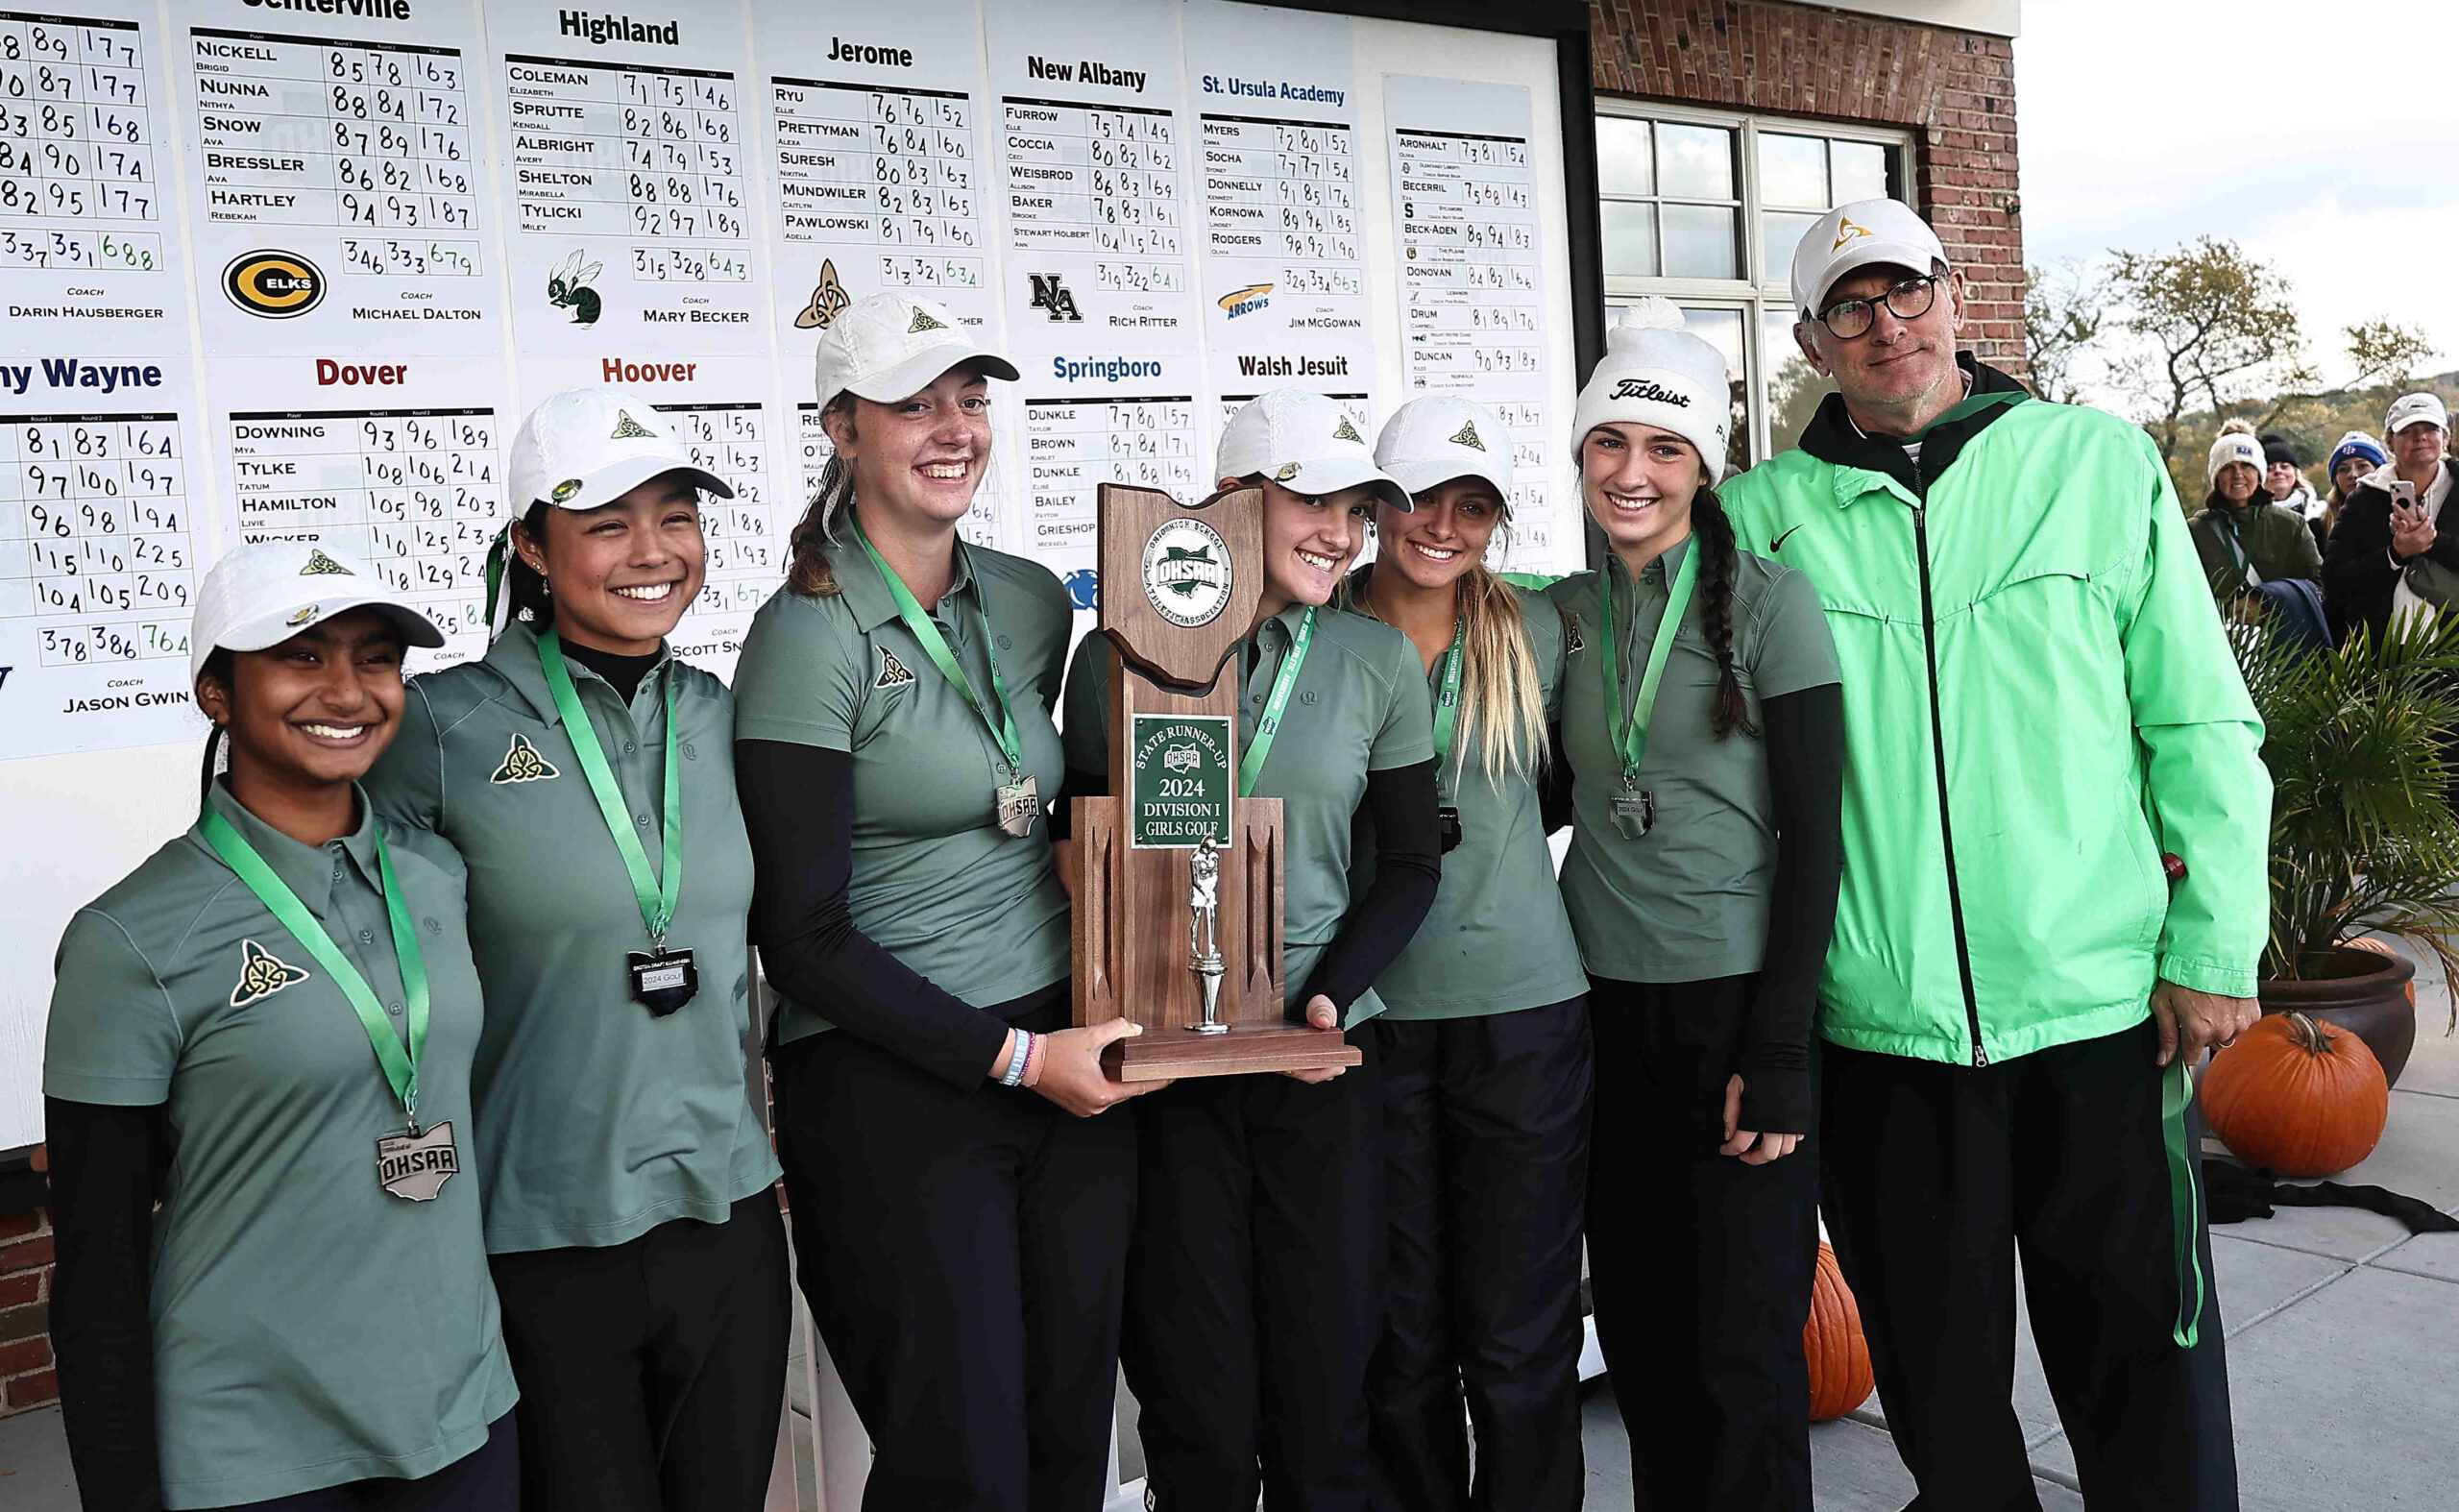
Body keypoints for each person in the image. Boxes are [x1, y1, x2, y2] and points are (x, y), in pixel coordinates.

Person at [1721, 198, 2266, 1511]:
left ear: (1955, 295)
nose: (1885, 325)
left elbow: (2196, 716)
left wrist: (2214, 944)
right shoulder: (1757, 518)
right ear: (1810, 340)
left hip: (2101, 1017)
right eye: (1849, 307)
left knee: (2147, 1371)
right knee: (1940, 1398)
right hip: (1884, 1036)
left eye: (1904, 290)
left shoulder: (2096, 463)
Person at [731, 292, 1150, 1510]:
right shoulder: (806, 635)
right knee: (961, 1461)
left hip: (1069, 1058)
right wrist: (1020, 1058)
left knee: (1071, 1437)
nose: (953, 426)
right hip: (896, 1079)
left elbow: (1076, 804)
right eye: (914, 403)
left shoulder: (1031, 600)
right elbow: (800, 939)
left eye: (969, 397)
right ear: (841, 429)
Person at [365, 389, 789, 1512]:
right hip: (539, 1230)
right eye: (606, 522)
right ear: (531, 548)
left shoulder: (718, 711)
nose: (652, 552)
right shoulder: (435, 731)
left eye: (676, 515)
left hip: (725, 1212)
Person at [45, 543, 519, 1511]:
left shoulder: (437, 877)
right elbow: (97, 1259)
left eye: (375, 656)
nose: (347, 690)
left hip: (458, 1405)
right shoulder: (130, 937)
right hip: (251, 1437)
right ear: (217, 691)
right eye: (301, 656)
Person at [1057, 388, 1444, 1511]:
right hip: (1165, 1062)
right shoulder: (1119, 648)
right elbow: (1084, 845)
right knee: (1195, 1395)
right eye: (1312, 500)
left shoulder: (1374, 658)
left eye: (1356, 510)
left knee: (1328, 1390)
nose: (1341, 530)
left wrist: (1326, 999)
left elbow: (1411, 862)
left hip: (1317, 1059)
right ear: (1233, 501)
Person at [1546, 301, 1845, 1512]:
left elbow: (1819, 836)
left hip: (1732, 1008)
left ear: (1703, 466)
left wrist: (1779, 1048)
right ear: (1579, 456)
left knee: (1744, 1343)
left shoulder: (1774, 603)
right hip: (1597, 1008)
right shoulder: (1561, 614)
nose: (1633, 472)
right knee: (1642, 1325)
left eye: (1664, 449)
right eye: (1609, 443)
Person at [1339, 396, 1592, 1512]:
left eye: (1474, 504)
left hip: (1524, 1012)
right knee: (1399, 1328)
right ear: (1375, 504)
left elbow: (1562, 787)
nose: (1444, 524)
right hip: (1364, 1012)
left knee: (1519, 1329)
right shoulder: (1318, 628)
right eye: (1422, 497)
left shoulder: (1535, 630)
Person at [2322, 392, 2458, 639]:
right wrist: (2394, 555)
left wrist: (2434, 543)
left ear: (2445, 437)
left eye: (2430, 428)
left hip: (2452, 646)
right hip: (2384, 652)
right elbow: (2335, 579)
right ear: (2390, 443)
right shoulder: (2363, 499)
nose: (2420, 437)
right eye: (2407, 430)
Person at [2188, 420, 2327, 643]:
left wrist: (2268, 602)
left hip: (2281, 651)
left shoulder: (2292, 525)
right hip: (2213, 644)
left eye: (2246, 466)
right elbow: (2181, 590)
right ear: (2216, 476)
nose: (2238, 475)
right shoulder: (2195, 530)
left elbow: (2319, 587)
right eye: (2227, 468)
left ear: (2260, 473)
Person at [2317, 429, 2389, 555]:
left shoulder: (2399, 513)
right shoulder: (2318, 526)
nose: (2353, 475)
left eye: (2362, 466)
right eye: (2343, 469)